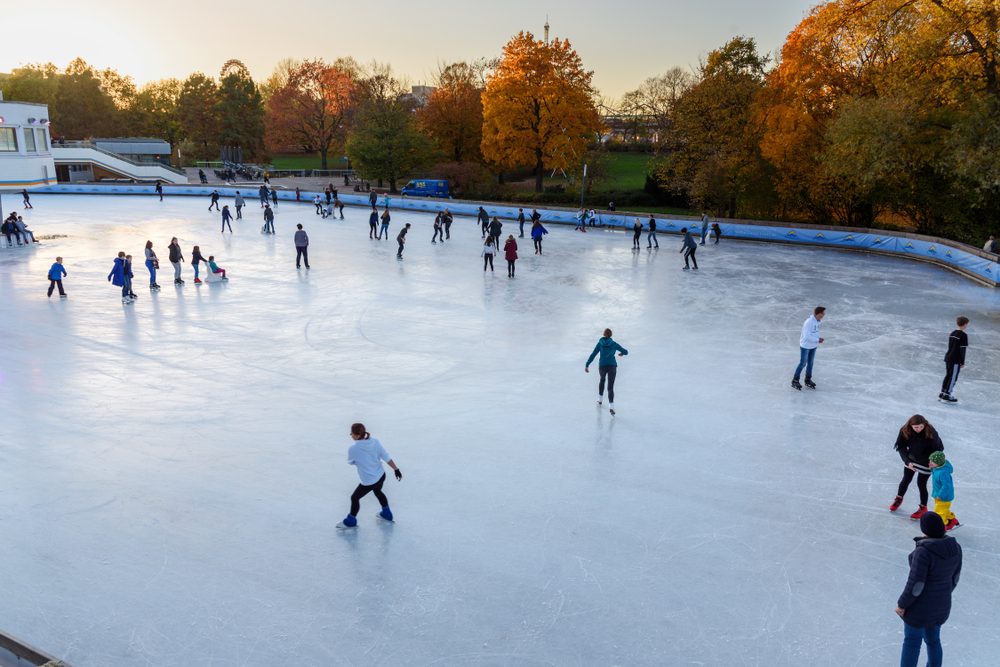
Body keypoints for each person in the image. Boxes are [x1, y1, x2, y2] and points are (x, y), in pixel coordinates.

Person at [895, 511, 962, 667]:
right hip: (942, 605)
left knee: (912, 642)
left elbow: (916, 585)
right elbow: (955, 578)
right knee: (933, 640)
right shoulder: (956, 548)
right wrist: (942, 595)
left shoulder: (924, 552)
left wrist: (902, 604)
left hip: (919, 609)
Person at [336, 423, 403, 529]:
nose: (350, 435)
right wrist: (396, 470)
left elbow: (351, 461)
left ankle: (351, 521)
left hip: (369, 481)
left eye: (352, 433)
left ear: (357, 436)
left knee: (354, 498)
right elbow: (385, 456)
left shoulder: (353, 449)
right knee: (378, 491)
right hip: (381, 475)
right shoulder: (375, 441)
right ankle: (387, 514)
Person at [890, 415, 944, 519]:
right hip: (912, 460)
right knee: (905, 479)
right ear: (910, 425)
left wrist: (933, 462)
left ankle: (923, 508)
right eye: (916, 427)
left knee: (921, 484)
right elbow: (901, 446)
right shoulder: (905, 431)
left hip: (927, 463)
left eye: (921, 427)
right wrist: (907, 460)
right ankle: (898, 499)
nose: (919, 429)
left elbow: (939, 448)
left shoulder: (931, 432)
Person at [585, 328, 628, 415]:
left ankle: (600, 400)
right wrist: (622, 354)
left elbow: (593, 354)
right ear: (611, 335)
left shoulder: (600, 344)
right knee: (610, 386)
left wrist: (587, 364)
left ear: (603, 334)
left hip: (602, 366)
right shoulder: (614, 344)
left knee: (602, 380)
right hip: (612, 366)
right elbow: (625, 351)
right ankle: (611, 406)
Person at [791, 306, 824, 389]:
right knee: (803, 363)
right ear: (819, 313)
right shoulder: (809, 322)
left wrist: (819, 338)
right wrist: (817, 339)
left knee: (811, 363)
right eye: (823, 313)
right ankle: (795, 380)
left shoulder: (817, 321)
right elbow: (806, 336)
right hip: (805, 346)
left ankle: (808, 379)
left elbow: (815, 333)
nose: (824, 315)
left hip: (813, 346)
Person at [940, 316, 969, 404]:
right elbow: (962, 350)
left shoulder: (953, 333)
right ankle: (947, 395)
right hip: (955, 359)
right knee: (953, 377)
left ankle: (942, 393)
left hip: (948, 357)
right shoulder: (963, 335)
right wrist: (962, 362)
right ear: (965, 324)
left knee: (948, 375)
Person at [928, 451, 958, 530]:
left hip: (943, 497)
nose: (930, 463)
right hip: (939, 495)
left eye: (932, 462)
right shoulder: (937, 468)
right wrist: (931, 469)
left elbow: (946, 485)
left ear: (938, 463)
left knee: (939, 513)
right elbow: (936, 473)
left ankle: (941, 528)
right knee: (944, 510)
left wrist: (940, 495)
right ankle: (952, 520)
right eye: (930, 461)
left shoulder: (943, 472)